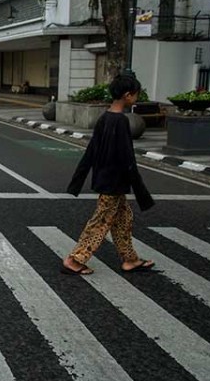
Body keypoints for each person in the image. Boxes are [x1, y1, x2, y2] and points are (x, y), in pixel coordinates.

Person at [62, 74, 155, 276]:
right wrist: (140, 190)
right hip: (113, 182)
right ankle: (74, 259)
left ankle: (130, 259)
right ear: (127, 95)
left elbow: (91, 151)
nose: (136, 98)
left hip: (107, 180)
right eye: (136, 95)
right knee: (101, 222)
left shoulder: (105, 117)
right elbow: (127, 158)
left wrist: (78, 180)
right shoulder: (120, 121)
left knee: (123, 218)